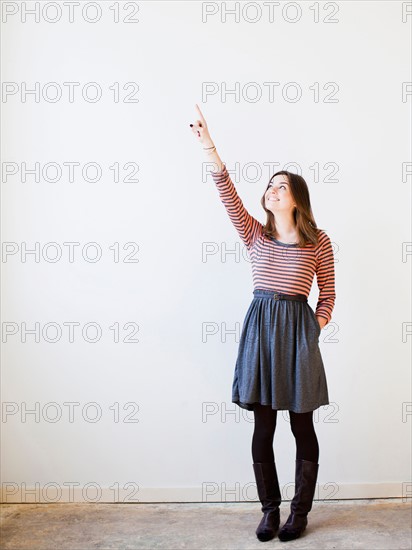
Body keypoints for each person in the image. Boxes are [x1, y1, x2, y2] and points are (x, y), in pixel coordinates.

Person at [190, 104, 336, 543]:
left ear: (296, 198)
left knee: (302, 425)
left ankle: (300, 513)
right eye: (269, 186)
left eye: (281, 186)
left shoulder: (318, 241)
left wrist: (315, 327)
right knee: (264, 425)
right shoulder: (256, 234)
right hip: (261, 335)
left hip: (299, 336)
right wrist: (209, 146)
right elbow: (226, 192)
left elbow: (327, 294)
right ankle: (270, 512)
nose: (271, 190)